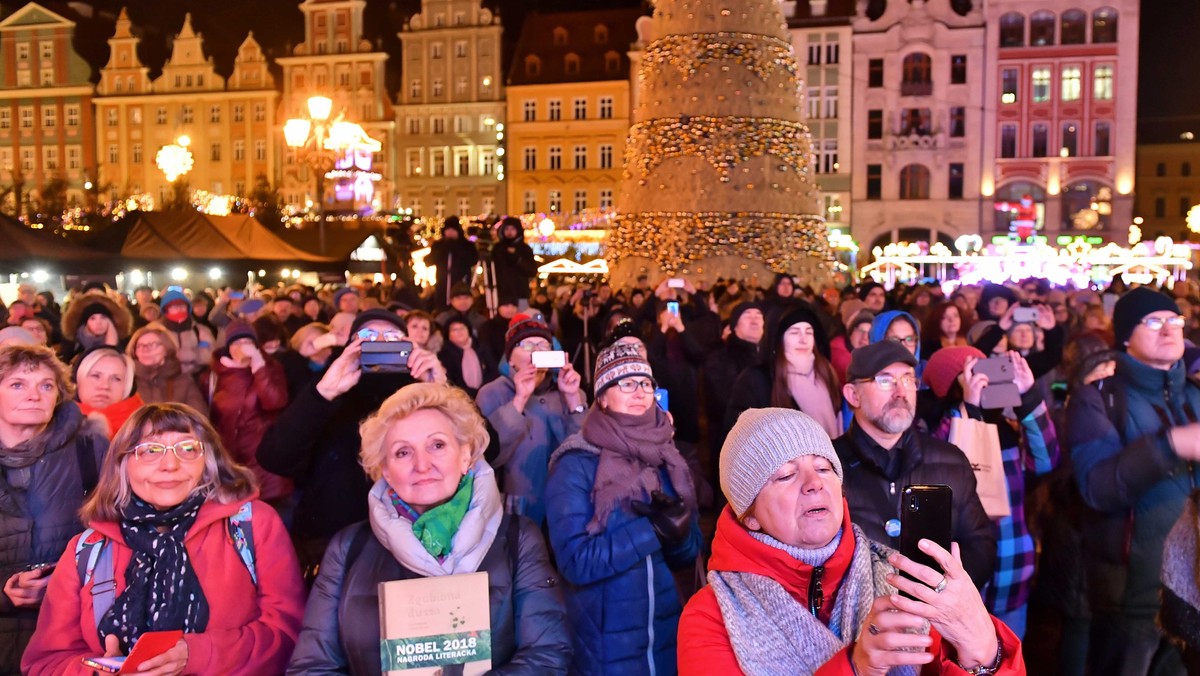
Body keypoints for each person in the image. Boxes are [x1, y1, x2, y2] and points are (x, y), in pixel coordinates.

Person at [677, 407, 1025, 675]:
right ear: (748, 514)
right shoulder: (711, 617)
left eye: (825, 468)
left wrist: (981, 646)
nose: (814, 483)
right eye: (785, 474)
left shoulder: (903, 584)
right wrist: (855, 668)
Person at [288, 383, 571, 674]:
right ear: (385, 469)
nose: (422, 465)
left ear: (465, 456)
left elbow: (546, 656)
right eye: (402, 453)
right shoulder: (348, 548)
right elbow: (312, 666)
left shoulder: (517, 538)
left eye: (437, 445)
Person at [22, 403, 305, 675]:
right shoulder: (87, 549)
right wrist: (101, 672)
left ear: (208, 461)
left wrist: (197, 655)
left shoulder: (251, 525)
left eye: (187, 449)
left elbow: (289, 636)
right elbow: (45, 662)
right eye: (151, 450)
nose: (170, 464)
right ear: (122, 464)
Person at [1066, 287, 1200, 674]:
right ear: (1126, 335)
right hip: (1134, 593)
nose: (1168, 330)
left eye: (1174, 320)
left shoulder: (1194, 394)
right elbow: (1097, 486)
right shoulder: (1099, 399)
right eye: (1154, 322)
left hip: (1193, 590)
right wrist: (1171, 444)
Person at [545, 343, 701, 675]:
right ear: (601, 397)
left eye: (645, 383)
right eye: (625, 383)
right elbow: (575, 562)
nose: (639, 392)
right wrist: (652, 531)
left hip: (668, 636)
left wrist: (680, 534)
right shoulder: (576, 464)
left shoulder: (668, 455)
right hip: (606, 644)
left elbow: (690, 555)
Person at [256, 309, 449, 574]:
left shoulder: (423, 390)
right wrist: (324, 392)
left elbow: (487, 449)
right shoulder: (329, 388)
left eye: (391, 336)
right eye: (369, 335)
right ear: (351, 345)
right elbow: (274, 457)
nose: (380, 342)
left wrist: (442, 390)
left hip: (416, 540)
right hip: (335, 545)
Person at [832, 341, 997, 589]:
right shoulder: (827, 467)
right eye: (885, 380)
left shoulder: (951, 460)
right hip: (857, 622)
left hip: (935, 619)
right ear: (853, 395)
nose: (901, 392)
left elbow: (979, 543)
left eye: (909, 379)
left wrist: (939, 596)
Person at [921, 347, 1060, 638]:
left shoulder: (1006, 430)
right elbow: (936, 469)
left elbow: (1046, 459)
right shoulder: (934, 430)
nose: (983, 381)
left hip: (1011, 570)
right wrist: (968, 410)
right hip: (959, 581)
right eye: (971, 374)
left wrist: (1028, 396)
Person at [0, 344, 107, 672]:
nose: (34, 395)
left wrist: (67, 582)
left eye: (46, 385)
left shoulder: (90, 448)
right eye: (17, 384)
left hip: (70, 636)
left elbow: (122, 535)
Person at [477, 314, 585, 525]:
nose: (536, 351)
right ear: (510, 359)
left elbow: (585, 453)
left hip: (567, 507)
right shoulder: (492, 393)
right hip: (515, 512)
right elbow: (487, 456)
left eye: (543, 345)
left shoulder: (569, 390)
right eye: (526, 345)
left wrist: (573, 400)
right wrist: (519, 400)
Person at [207, 321, 292, 508]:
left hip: (265, 462)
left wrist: (259, 367)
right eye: (236, 343)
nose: (242, 348)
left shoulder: (271, 368)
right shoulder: (215, 375)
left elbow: (275, 401)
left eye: (247, 342)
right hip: (231, 463)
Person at [726, 304, 841, 439]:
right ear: (780, 340)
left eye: (809, 332)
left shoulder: (825, 372)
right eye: (794, 332)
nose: (803, 340)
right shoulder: (759, 379)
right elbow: (738, 435)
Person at [128, 325, 210, 416]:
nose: (145, 349)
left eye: (153, 344)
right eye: (140, 346)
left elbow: (199, 416)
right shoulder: (129, 381)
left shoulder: (184, 380)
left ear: (166, 348)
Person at [74, 345, 144, 440]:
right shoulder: (53, 423)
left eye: (116, 379)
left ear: (128, 387)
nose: (105, 386)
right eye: (95, 376)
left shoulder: (146, 428)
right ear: (78, 381)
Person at [59, 294, 133, 364]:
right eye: (92, 318)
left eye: (104, 317)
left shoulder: (123, 343)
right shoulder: (73, 343)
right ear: (85, 322)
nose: (98, 322)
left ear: (110, 321)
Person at [158, 290, 216, 378]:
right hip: (166, 380)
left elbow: (213, 356)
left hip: (196, 380)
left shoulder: (200, 330)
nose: (178, 308)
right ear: (165, 309)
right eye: (173, 306)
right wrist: (173, 358)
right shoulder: (155, 330)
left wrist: (195, 354)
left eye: (182, 305)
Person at [427, 217, 480, 309]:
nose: (450, 232)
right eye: (448, 230)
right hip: (443, 283)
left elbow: (472, 260)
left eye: (453, 230)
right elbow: (430, 260)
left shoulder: (467, 245)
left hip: (461, 281)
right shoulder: (439, 245)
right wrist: (445, 247)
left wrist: (456, 247)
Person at [438, 315, 497, 397]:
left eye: (462, 328)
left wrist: (484, 390)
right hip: (460, 397)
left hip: (487, 393)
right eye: (454, 330)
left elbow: (493, 370)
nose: (459, 332)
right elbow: (449, 381)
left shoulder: (481, 347)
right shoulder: (444, 355)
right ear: (448, 335)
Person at [491, 216, 539, 303]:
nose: (509, 232)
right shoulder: (498, 248)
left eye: (512, 229)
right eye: (507, 229)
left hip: (520, 293)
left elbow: (532, 271)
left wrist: (518, 259)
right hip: (501, 293)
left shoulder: (525, 249)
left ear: (518, 230)